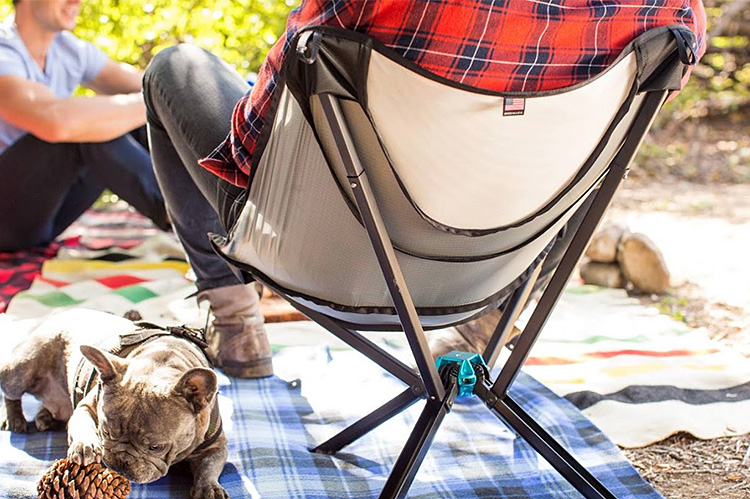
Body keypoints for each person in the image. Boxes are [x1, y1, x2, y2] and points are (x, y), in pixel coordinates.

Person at [142, 0, 707, 379]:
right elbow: (619, 131)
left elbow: (255, 140)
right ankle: (483, 326)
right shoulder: (673, 12)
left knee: (175, 66)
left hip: (327, 256)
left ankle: (237, 324)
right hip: (495, 266)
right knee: (587, 168)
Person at [0, 0, 168, 253]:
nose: (76, 1)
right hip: (5, 221)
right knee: (83, 130)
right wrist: (157, 102)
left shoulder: (69, 49)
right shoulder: (4, 52)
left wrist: (210, 88)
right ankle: (190, 222)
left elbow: (151, 86)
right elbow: (55, 123)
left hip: (44, 219)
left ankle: (211, 204)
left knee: (128, 121)